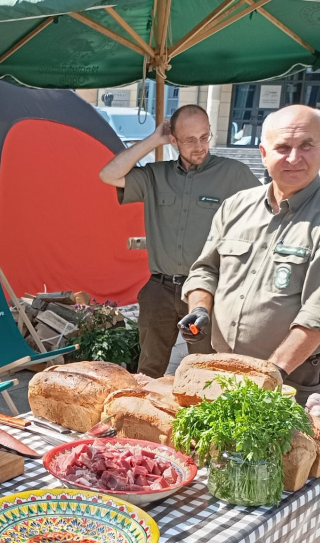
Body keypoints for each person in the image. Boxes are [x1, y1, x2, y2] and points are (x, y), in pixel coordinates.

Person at [179, 105, 320, 403]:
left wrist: (267, 378)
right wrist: (200, 309)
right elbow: (206, 270)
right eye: (282, 147)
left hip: (290, 377)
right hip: (221, 366)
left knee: (274, 451)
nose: (294, 158)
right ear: (263, 153)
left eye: (306, 145)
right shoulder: (235, 206)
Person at [99, 105, 260, 378]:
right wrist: (153, 139)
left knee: (207, 373)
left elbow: (266, 216)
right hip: (159, 291)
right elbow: (108, 175)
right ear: (173, 140)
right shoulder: (155, 175)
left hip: (207, 294)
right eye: (189, 139)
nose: (200, 146)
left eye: (204, 137)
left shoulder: (234, 174)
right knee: (148, 371)